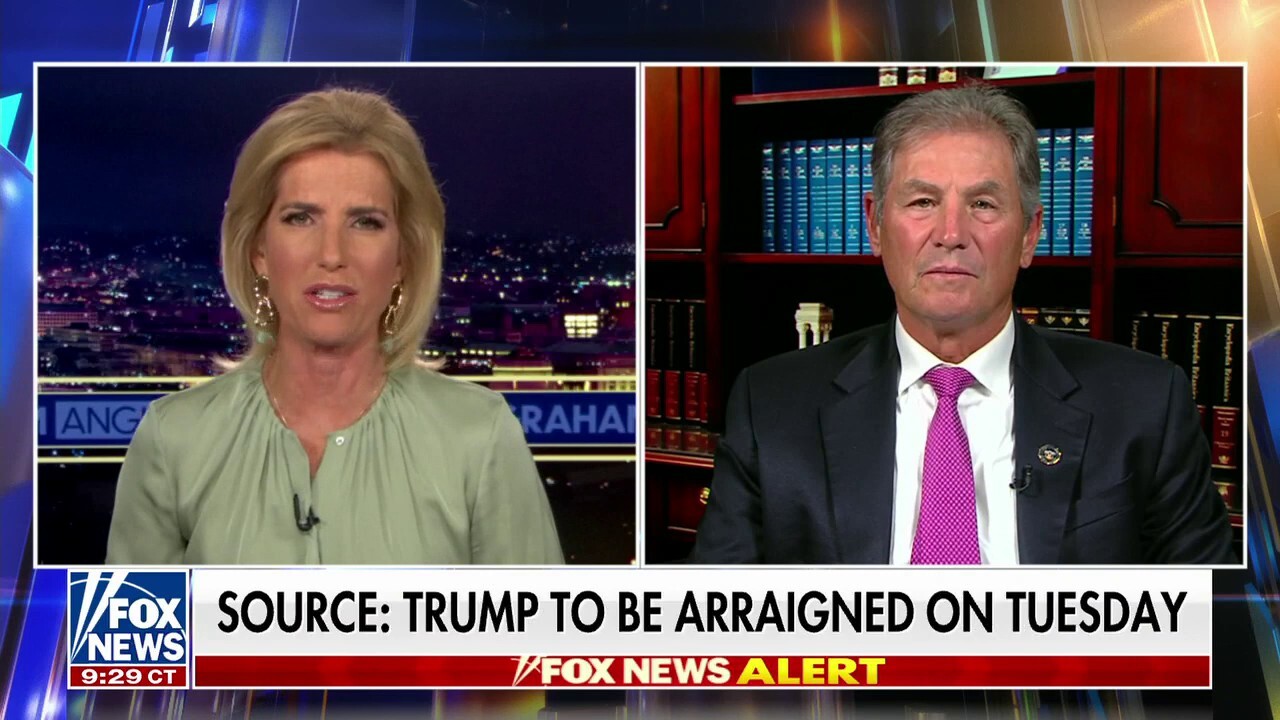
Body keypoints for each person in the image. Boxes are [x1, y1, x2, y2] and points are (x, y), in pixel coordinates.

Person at [692, 84, 1234, 565]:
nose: (951, 234)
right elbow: (717, 625)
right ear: (875, 225)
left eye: (983, 204)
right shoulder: (770, 405)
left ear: (1029, 235)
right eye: (922, 201)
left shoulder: (1147, 405)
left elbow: (1209, 622)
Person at [106, 88, 563, 564]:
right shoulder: (172, 439)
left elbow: (538, 616)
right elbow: (132, 618)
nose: (331, 254)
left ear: (403, 256)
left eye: (365, 222)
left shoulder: (480, 436)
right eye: (300, 218)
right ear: (258, 249)